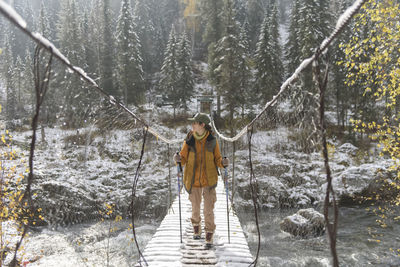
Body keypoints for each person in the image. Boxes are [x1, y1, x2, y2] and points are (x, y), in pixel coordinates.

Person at [174, 113, 229, 248]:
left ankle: (209, 233)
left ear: (202, 125)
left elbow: (217, 159)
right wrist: (178, 160)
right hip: (192, 179)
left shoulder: (212, 141)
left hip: (209, 180)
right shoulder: (188, 140)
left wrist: (223, 162)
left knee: (208, 208)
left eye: (195, 123)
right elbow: (183, 158)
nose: (192, 125)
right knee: (195, 206)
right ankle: (196, 226)